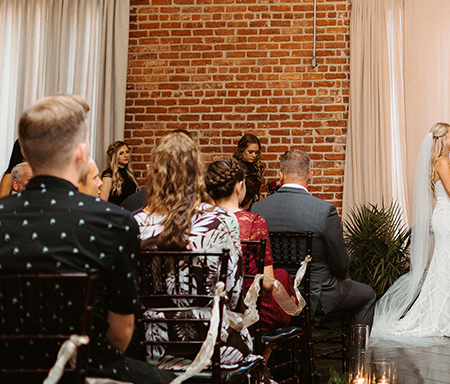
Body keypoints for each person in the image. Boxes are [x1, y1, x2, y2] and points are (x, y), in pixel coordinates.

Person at [0, 95, 173, 383]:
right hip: (89, 369)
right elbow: (120, 334)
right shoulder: (113, 222)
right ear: (81, 152)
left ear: (27, 153)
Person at [135, 132, 266, 380]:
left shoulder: (135, 223)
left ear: (154, 174)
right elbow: (234, 292)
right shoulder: (220, 220)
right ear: (198, 174)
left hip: (151, 345)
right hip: (212, 345)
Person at [373, 122, 450, 340]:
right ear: (443, 138)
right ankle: (441, 316)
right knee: (447, 262)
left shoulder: (448, 163)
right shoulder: (442, 163)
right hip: (446, 216)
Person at [253, 149, 376, 326]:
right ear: (310, 176)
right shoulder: (324, 211)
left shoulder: (258, 209)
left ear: (280, 175)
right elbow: (341, 264)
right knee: (368, 295)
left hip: (273, 295)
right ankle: (357, 352)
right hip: (315, 295)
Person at [206, 158, 295, 329]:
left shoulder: (198, 221)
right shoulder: (253, 222)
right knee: (282, 277)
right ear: (239, 186)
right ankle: (264, 351)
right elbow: (267, 283)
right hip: (244, 307)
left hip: (208, 306)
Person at [99, 140, 137, 205]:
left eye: (127, 152)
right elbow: (102, 203)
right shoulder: (108, 175)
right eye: (121, 153)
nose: (125, 155)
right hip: (115, 213)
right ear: (114, 156)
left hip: (129, 213)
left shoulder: (130, 174)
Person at [234, 133, 265, 209]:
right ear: (242, 150)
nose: (254, 155)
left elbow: (259, 192)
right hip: (239, 207)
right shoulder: (236, 167)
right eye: (250, 152)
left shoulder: (259, 169)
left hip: (256, 206)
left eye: (256, 152)